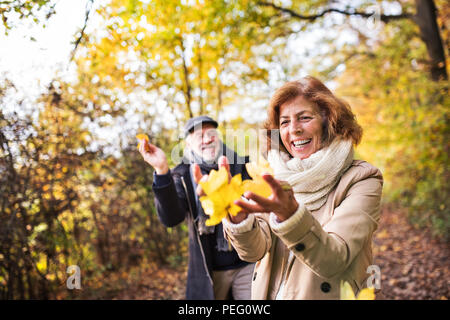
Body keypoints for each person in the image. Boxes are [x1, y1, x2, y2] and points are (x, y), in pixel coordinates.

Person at [218, 76, 383, 299]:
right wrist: (239, 220)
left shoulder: (362, 178)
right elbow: (254, 251)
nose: (293, 130)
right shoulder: (272, 174)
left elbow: (334, 259)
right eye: (284, 122)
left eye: (304, 118)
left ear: (330, 122)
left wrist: (291, 216)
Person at [137, 115, 254, 300]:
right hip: (210, 270)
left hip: (248, 264)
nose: (207, 139)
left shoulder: (241, 164)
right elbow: (171, 218)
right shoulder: (182, 174)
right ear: (188, 144)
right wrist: (161, 170)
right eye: (199, 136)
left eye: (211, 134)